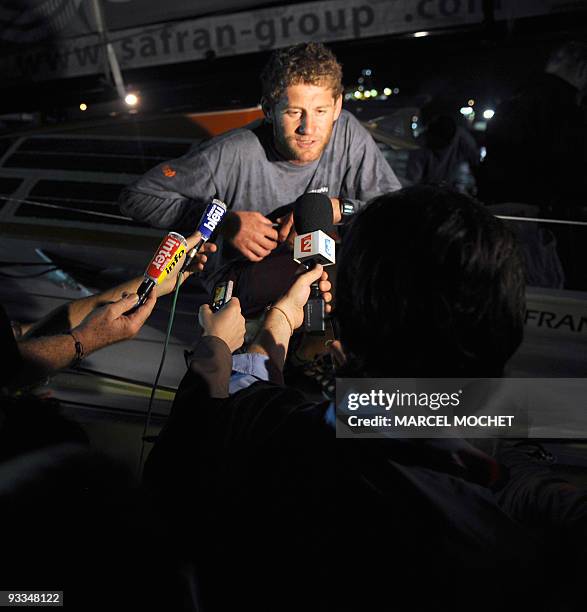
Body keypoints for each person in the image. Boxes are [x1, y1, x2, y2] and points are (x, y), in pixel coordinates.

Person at [146, 186, 584, 611]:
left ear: (348, 329)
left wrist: (230, 342)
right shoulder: (520, 549)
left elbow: (192, 450)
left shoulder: (266, 439)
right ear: (507, 331)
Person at [118, 42, 400, 308]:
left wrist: (336, 209)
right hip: (243, 300)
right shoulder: (232, 152)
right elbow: (136, 197)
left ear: (337, 106)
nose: (308, 128)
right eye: (293, 112)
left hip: (324, 289)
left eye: (321, 111)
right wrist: (223, 223)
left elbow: (396, 211)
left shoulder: (348, 134)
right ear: (268, 109)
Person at [477, 40, 587, 211]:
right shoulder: (567, 112)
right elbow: (571, 172)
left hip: (502, 211)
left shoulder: (509, 105)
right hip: (548, 217)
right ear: (581, 69)